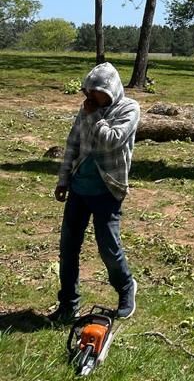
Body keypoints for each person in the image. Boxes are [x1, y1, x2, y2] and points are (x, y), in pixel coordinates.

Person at [49, 62, 140, 324]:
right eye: (87, 91)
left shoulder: (129, 109)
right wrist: (63, 179)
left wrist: (93, 117)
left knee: (108, 247)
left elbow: (113, 140)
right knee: (68, 248)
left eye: (96, 92)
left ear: (110, 90)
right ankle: (68, 304)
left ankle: (126, 288)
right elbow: (73, 143)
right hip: (79, 188)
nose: (90, 97)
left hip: (107, 190)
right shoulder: (88, 108)